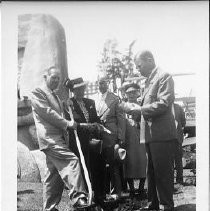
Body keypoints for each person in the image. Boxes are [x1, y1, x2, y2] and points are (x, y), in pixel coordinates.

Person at [121, 51, 177, 211]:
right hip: (150, 136)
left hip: (162, 136)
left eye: (139, 65)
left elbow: (164, 103)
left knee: (163, 174)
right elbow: (147, 108)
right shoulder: (149, 81)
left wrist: (140, 110)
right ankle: (152, 205)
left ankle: (166, 205)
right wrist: (137, 115)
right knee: (151, 173)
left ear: (150, 60)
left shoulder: (164, 76)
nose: (138, 69)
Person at [31, 66, 88, 211]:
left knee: (53, 175)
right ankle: (78, 197)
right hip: (50, 139)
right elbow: (47, 112)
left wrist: (64, 103)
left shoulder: (54, 95)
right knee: (71, 160)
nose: (56, 80)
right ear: (46, 76)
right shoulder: (37, 92)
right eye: (53, 77)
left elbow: (56, 109)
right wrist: (68, 124)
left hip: (58, 138)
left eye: (58, 78)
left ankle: (49, 208)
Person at [63, 77, 105, 205]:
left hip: (93, 140)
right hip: (79, 142)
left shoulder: (90, 102)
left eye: (82, 88)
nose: (80, 91)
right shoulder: (69, 105)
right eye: (77, 89)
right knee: (83, 167)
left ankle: (99, 195)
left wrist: (98, 125)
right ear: (73, 90)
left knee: (97, 166)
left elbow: (96, 119)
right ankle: (85, 196)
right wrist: (85, 126)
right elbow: (70, 124)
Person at [96, 77, 126, 199]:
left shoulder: (114, 99)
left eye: (103, 83)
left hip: (111, 135)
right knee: (99, 164)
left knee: (113, 164)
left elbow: (121, 119)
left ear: (108, 84)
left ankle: (116, 192)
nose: (101, 85)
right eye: (99, 83)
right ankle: (101, 192)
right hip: (98, 135)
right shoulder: (94, 98)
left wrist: (120, 137)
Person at [120, 82, 147, 200]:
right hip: (128, 138)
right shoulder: (122, 106)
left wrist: (139, 123)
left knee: (142, 161)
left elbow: (147, 120)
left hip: (141, 137)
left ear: (138, 93)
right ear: (125, 94)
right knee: (129, 163)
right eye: (128, 93)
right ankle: (131, 189)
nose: (131, 95)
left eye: (133, 92)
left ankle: (141, 188)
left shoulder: (143, 105)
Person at [174, 103, 186, 184]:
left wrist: (178, 130)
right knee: (168, 160)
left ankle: (179, 179)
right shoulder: (163, 107)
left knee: (178, 160)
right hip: (166, 138)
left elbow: (183, 122)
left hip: (177, 138)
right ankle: (169, 179)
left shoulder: (178, 107)